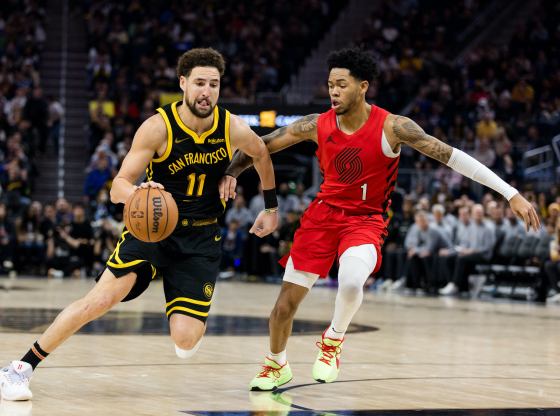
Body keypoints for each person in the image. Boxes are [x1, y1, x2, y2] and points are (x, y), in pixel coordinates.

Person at [221, 47, 540, 391]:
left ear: (363, 87)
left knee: (351, 282)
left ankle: (333, 340)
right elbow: (261, 145)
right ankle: (276, 364)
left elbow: (451, 156)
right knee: (283, 307)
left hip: (365, 220)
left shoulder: (394, 126)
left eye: (341, 85)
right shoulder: (316, 124)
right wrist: (230, 172)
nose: (333, 91)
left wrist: (510, 193)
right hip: (322, 217)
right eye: (330, 85)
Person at [0, 48, 279, 401]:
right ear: (183, 83)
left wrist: (267, 203)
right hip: (152, 230)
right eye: (199, 83)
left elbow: (261, 152)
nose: (206, 92)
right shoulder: (158, 127)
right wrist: (137, 193)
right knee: (98, 301)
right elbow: (117, 186)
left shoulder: (231, 126)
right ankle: (19, 369)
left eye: (213, 84)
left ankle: (182, 308)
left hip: (200, 236)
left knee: (186, 341)